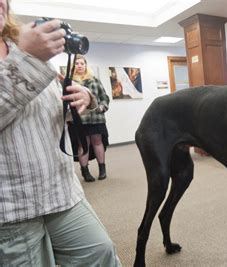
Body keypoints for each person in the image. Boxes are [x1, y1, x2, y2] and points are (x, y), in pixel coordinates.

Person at [0, 0, 121, 265]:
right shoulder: (27, 53)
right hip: (10, 207)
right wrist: (28, 59)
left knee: (100, 252)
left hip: (60, 190)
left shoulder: (18, 46)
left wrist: (80, 101)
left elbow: (38, 111)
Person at [71, 54, 110, 182]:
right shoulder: (70, 82)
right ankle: (85, 172)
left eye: (82, 63)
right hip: (79, 120)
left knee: (98, 142)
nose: (80, 66)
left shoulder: (95, 80)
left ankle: (102, 169)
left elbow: (104, 97)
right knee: (83, 145)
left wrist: (103, 106)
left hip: (96, 118)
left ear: (86, 65)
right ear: (73, 66)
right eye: (77, 63)